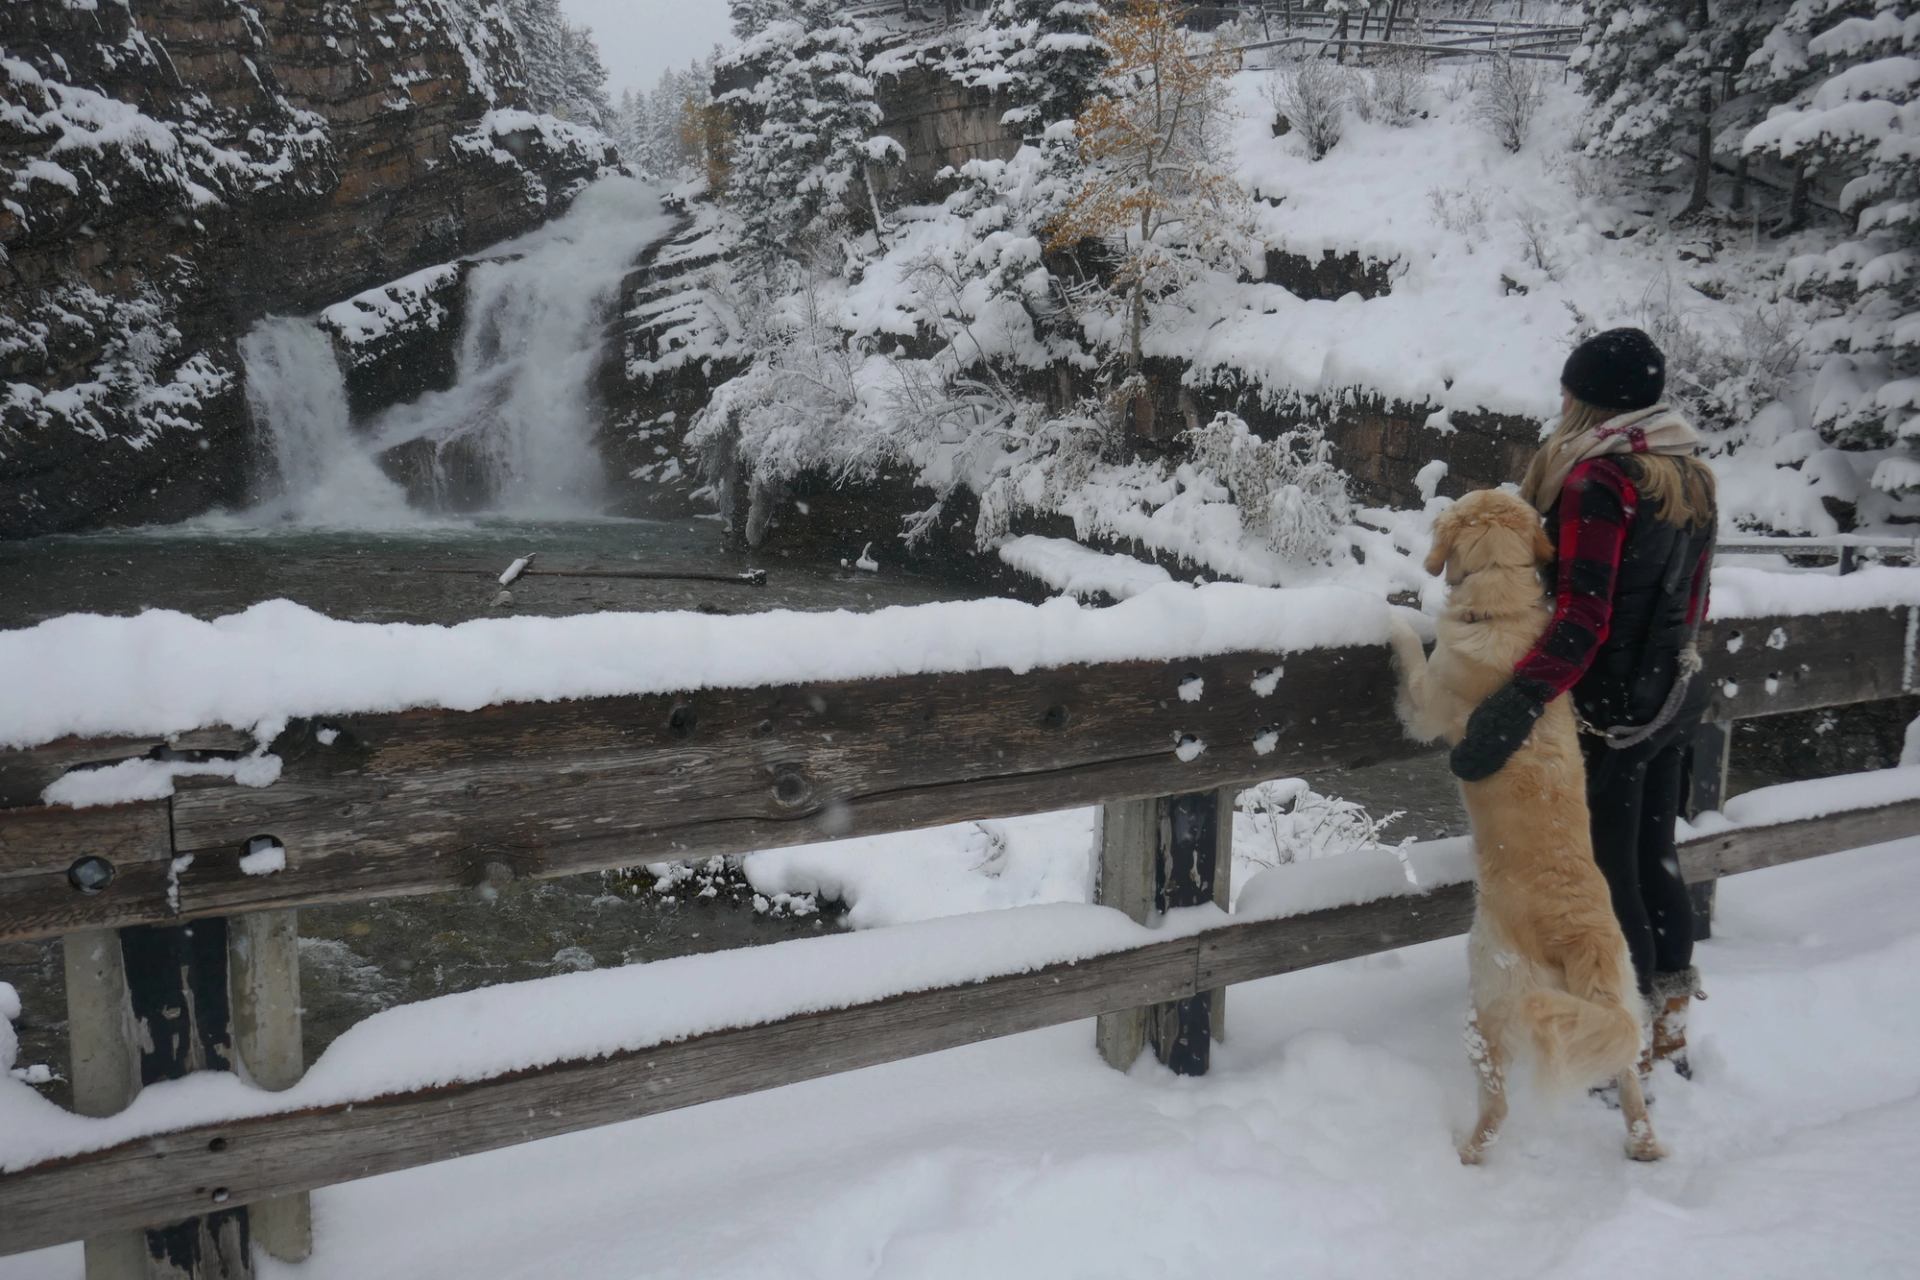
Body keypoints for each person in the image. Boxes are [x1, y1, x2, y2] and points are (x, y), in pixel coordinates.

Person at [1449, 327, 1717, 1080]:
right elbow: (1691, 601)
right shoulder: (1686, 470)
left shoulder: (1599, 482)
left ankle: (1618, 1050)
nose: (1560, 400)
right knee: (1653, 857)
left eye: (1568, 390)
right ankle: (1668, 1028)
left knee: (1606, 876)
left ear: (1583, 400)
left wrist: (1518, 701)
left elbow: (1583, 616)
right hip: (1671, 697)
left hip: (1608, 708)